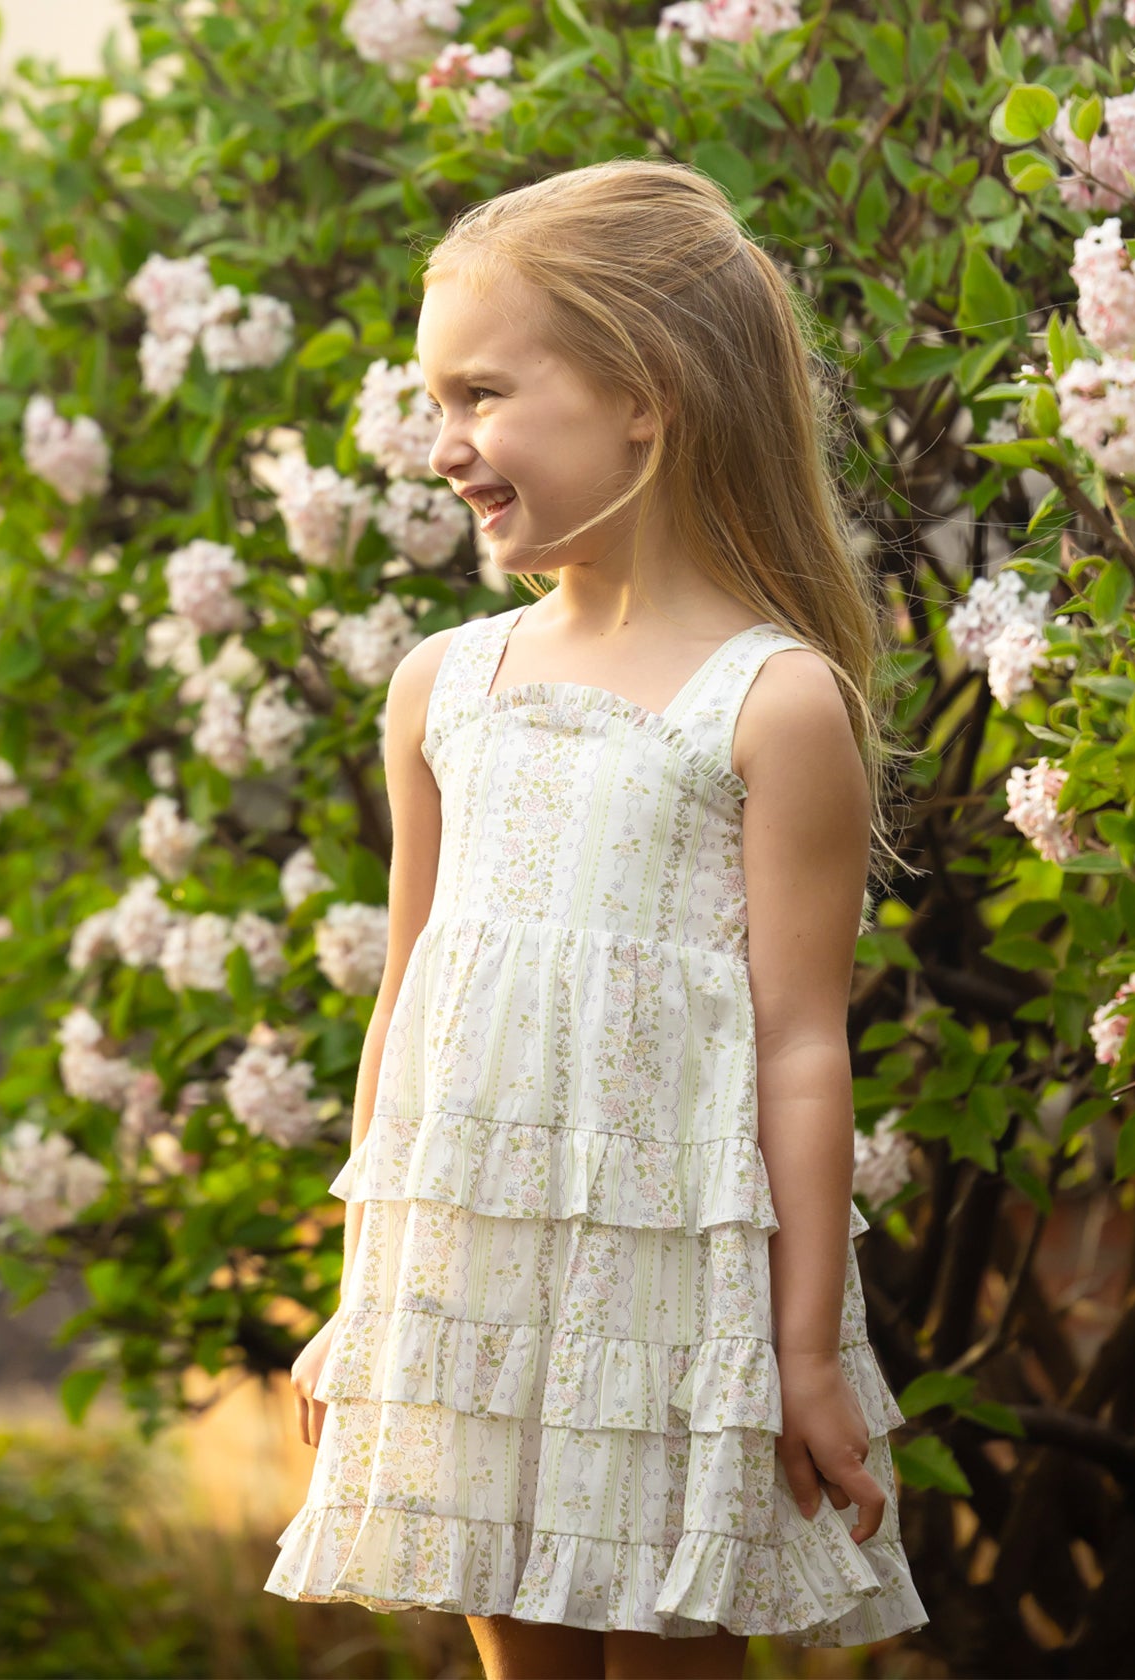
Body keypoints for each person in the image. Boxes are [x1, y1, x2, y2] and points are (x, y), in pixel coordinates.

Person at [265, 158, 929, 1680]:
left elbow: (799, 1044)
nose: (443, 447)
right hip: (475, 1302)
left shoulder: (770, 702)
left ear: (642, 394)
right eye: (437, 405)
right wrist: (367, 1298)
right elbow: (414, 1000)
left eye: (482, 395)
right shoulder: (445, 685)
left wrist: (807, 1356)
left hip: (675, 1322)